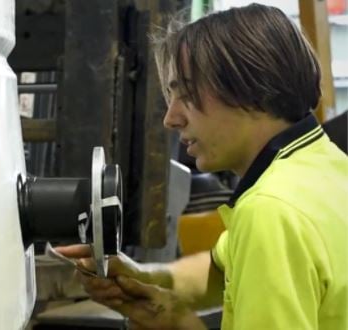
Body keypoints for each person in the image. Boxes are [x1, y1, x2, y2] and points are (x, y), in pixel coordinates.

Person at [56, 3, 348, 329]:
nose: (171, 118)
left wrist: (179, 324)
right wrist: (142, 275)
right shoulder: (330, 167)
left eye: (185, 92)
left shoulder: (270, 211)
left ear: (248, 84)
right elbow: (226, 268)